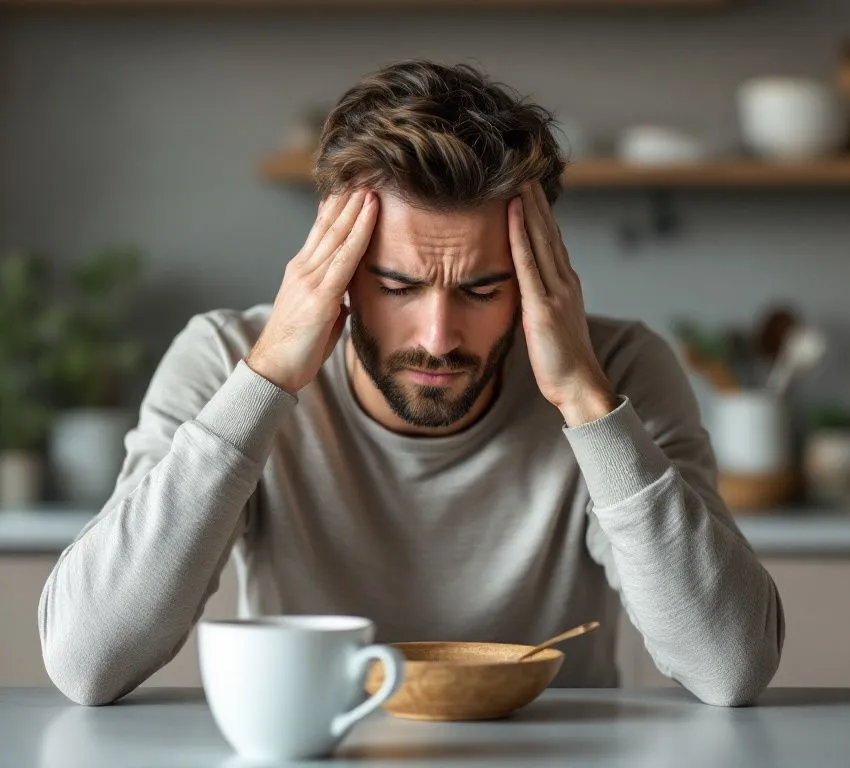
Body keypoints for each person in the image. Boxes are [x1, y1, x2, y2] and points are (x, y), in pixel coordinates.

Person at [39, 60, 784, 707]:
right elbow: (87, 661)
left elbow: (729, 669)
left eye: (484, 290)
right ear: (336, 272)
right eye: (397, 285)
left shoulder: (615, 371)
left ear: (536, 279)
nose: (437, 337)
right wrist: (265, 382)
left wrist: (587, 406)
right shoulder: (225, 359)